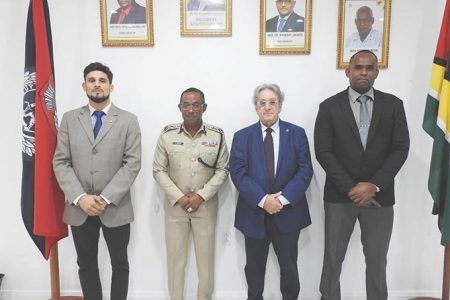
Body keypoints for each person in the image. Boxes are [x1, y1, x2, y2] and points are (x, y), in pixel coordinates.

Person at [314, 50, 409, 300]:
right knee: (333, 260)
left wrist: (374, 185)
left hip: (380, 197)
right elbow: (323, 151)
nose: (363, 72)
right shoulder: (329, 107)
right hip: (339, 196)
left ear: (377, 72)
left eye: (369, 67)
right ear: (348, 71)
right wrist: (351, 188)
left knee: (377, 262)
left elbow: (401, 149)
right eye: (358, 67)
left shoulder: (393, 105)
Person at [53, 62, 141, 300]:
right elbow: (61, 161)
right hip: (80, 208)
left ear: (111, 86)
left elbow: (132, 163)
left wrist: (104, 198)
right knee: (86, 264)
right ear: (84, 86)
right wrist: (81, 198)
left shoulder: (128, 120)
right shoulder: (70, 119)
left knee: (120, 264)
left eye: (102, 80)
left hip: (115, 206)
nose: (97, 85)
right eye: (91, 80)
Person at [230, 84, 313, 300]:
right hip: (254, 213)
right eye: (262, 103)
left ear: (280, 106)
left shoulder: (296, 133)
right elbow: (238, 173)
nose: (267, 107)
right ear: (256, 108)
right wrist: (263, 200)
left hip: (288, 213)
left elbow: (305, 170)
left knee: (289, 268)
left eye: (272, 102)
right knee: (254, 269)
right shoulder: (242, 136)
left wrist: (282, 200)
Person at [153, 87, 229, 300]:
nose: (191, 109)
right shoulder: (167, 135)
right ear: (180, 108)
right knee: (176, 261)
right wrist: (179, 196)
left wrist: (200, 196)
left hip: (204, 208)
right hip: (176, 208)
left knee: (205, 262)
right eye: (186, 105)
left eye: (196, 105)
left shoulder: (217, 135)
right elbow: (158, 169)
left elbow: (223, 170)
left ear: (204, 107)